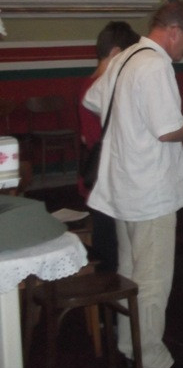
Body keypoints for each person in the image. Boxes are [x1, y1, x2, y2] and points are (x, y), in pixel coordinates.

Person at [83, 0, 183, 368]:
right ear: (173, 31)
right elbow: (168, 131)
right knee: (151, 280)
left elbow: (93, 99)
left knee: (130, 273)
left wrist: (133, 122)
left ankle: (128, 346)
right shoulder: (154, 64)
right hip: (149, 191)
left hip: (123, 186)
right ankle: (150, 360)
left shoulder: (126, 57)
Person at [78, 21, 141, 272]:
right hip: (107, 178)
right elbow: (101, 137)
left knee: (112, 245)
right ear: (116, 53)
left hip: (103, 178)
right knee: (111, 250)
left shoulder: (91, 83)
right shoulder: (100, 88)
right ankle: (113, 291)